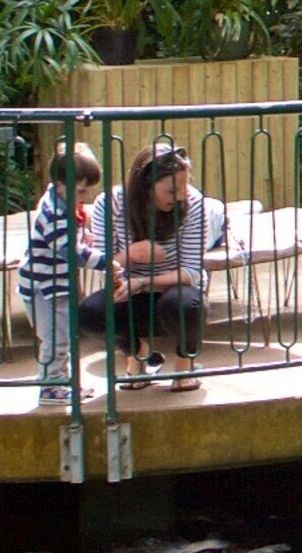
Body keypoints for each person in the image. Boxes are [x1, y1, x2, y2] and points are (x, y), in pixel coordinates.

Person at [88, 141, 224, 391]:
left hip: (174, 291)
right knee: (89, 313)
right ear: (145, 187)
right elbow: (101, 260)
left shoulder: (195, 204)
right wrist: (129, 254)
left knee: (185, 305)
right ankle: (140, 356)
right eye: (172, 191)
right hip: (131, 293)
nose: (182, 195)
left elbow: (192, 271)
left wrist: (143, 282)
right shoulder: (109, 203)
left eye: (184, 186)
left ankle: (185, 367)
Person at [21, 144, 103, 407]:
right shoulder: (54, 214)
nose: (85, 196)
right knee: (55, 337)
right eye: (81, 191)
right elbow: (71, 252)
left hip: (56, 283)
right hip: (44, 287)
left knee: (64, 334)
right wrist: (103, 261)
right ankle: (50, 385)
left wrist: (84, 234)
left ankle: (62, 381)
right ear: (59, 184)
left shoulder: (62, 202)